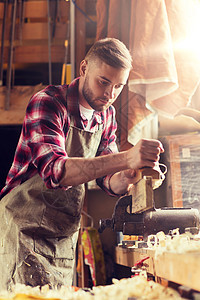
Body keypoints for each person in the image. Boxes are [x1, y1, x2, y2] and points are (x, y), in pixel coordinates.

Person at [0, 38, 164, 290]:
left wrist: (127, 176)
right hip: (22, 229)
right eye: (104, 82)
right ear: (84, 68)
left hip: (62, 236)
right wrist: (127, 157)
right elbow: (56, 172)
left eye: (119, 86)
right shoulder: (49, 103)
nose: (110, 95)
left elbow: (107, 180)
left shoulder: (106, 115)